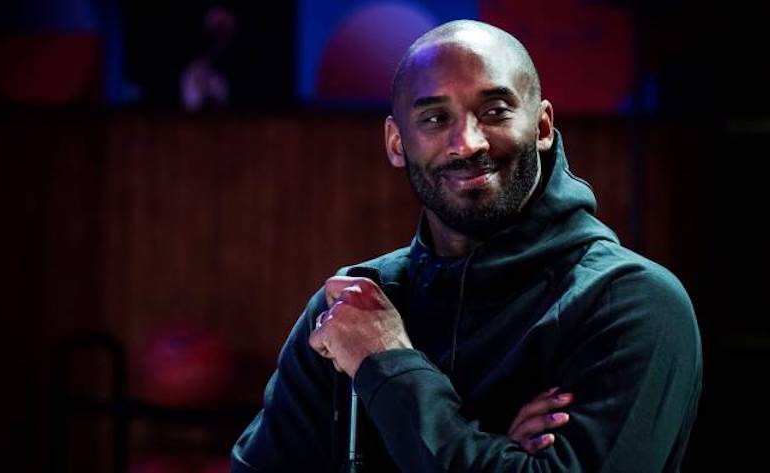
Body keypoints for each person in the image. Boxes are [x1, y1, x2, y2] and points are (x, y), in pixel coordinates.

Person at [231, 19, 702, 472]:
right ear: (396, 143)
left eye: (495, 111)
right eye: (435, 118)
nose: (467, 143)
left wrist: (385, 363)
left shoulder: (631, 303)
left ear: (542, 127)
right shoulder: (350, 309)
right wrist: (499, 457)